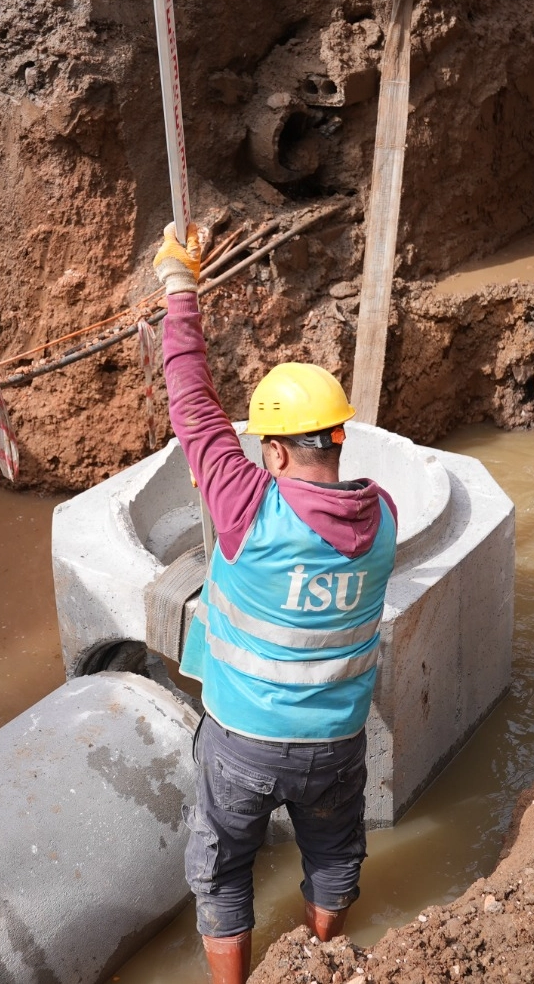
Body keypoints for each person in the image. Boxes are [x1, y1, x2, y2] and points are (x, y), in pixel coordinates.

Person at [154, 224, 399, 984]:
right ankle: (321, 961)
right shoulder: (383, 516)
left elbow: (191, 400)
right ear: (336, 440)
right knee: (334, 857)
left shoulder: (249, 507)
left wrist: (178, 284)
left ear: (278, 450)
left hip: (243, 744)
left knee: (221, 870)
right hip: (336, 744)